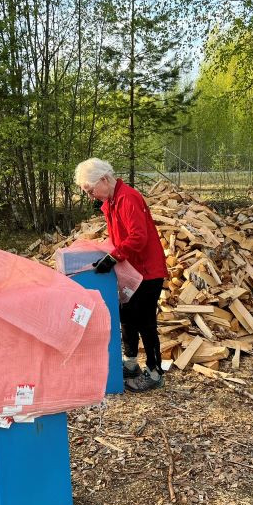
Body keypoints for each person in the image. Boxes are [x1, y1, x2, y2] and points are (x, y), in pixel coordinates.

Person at [74, 158, 168, 393]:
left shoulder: (128, 198)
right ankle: (131, 362)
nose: (90, 196)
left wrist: (114, 257)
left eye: (91, 190)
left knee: (145, 320)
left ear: (104, 179)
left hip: (147, 270)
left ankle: (155, 373)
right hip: (131, 269)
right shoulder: (112, 201)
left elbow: (138, 237)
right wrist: (107, 252)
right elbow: (119, 237)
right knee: (127, 315)